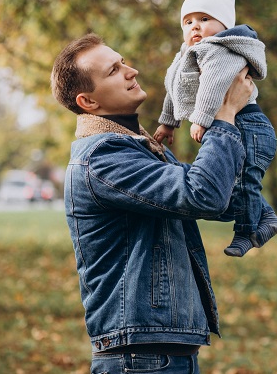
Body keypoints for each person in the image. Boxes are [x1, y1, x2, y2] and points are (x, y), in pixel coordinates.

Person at [51, 33, 254, 373]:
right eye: (113, 70)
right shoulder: (104, 157)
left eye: (124, 62)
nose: (131, 71)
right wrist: (223, 116)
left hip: (159, 353)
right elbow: (203, 193)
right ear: (88, 102)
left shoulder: (138, 147)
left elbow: (225, 200)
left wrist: (241, 115)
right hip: (142, 358)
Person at [153, 0, 277, 257]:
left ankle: (247, 232)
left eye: (204, 19)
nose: (195, 27)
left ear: (224, 25)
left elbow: (213, 84)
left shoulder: (220, 50)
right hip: (230, 122)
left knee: (246, 182)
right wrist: (168, 122)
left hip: (249, 125)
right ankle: (267, 217)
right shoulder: (186, 55)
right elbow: (173, 87)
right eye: (188, 22)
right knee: (238, 184)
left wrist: (200, 119)